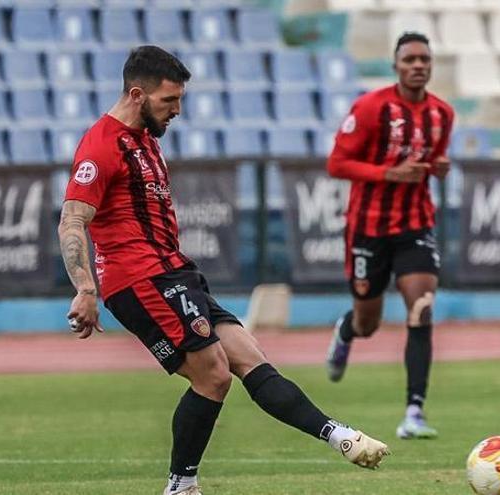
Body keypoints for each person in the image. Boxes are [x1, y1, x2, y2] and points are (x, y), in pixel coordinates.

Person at [58, 46, 389, 495]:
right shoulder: (102, 143)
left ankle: (339, 436)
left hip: (173, 271)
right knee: (212, 374)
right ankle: (181, 486)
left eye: (178, 101)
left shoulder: (146, 141)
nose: (177, 111)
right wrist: (85, 289)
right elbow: (73, 218)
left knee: (250, 357)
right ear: (137, 94)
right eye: (168, 101)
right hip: (136, 279)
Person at [325, 32, 455, 439]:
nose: (418, 65)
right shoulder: (370, 108)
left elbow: (432, 159)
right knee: (369, 322)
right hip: (368, 228)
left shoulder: (442, 114)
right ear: (395, 65)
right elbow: (337, 163)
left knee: (422, 308)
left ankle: (414, 412)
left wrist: (438, 169)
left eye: (424, 59)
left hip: (415, 224)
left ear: (431, 65)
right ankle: (347, 331)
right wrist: (387, 173)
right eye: (410, 59)